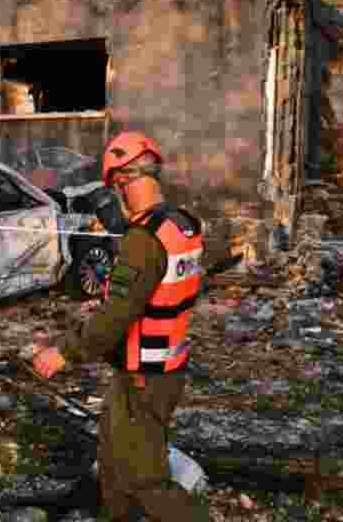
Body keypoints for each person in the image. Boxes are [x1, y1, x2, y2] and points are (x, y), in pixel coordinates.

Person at [31, 131, 209, 522]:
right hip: (156, 368)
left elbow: (116, 318)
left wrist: (64, 351)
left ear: (123, 182)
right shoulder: (182, 224)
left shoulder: (144, 238)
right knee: (112, 461)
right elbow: (162, 291)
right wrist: (119, 299)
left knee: (144, 480)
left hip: (145, 376)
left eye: (115, 186)